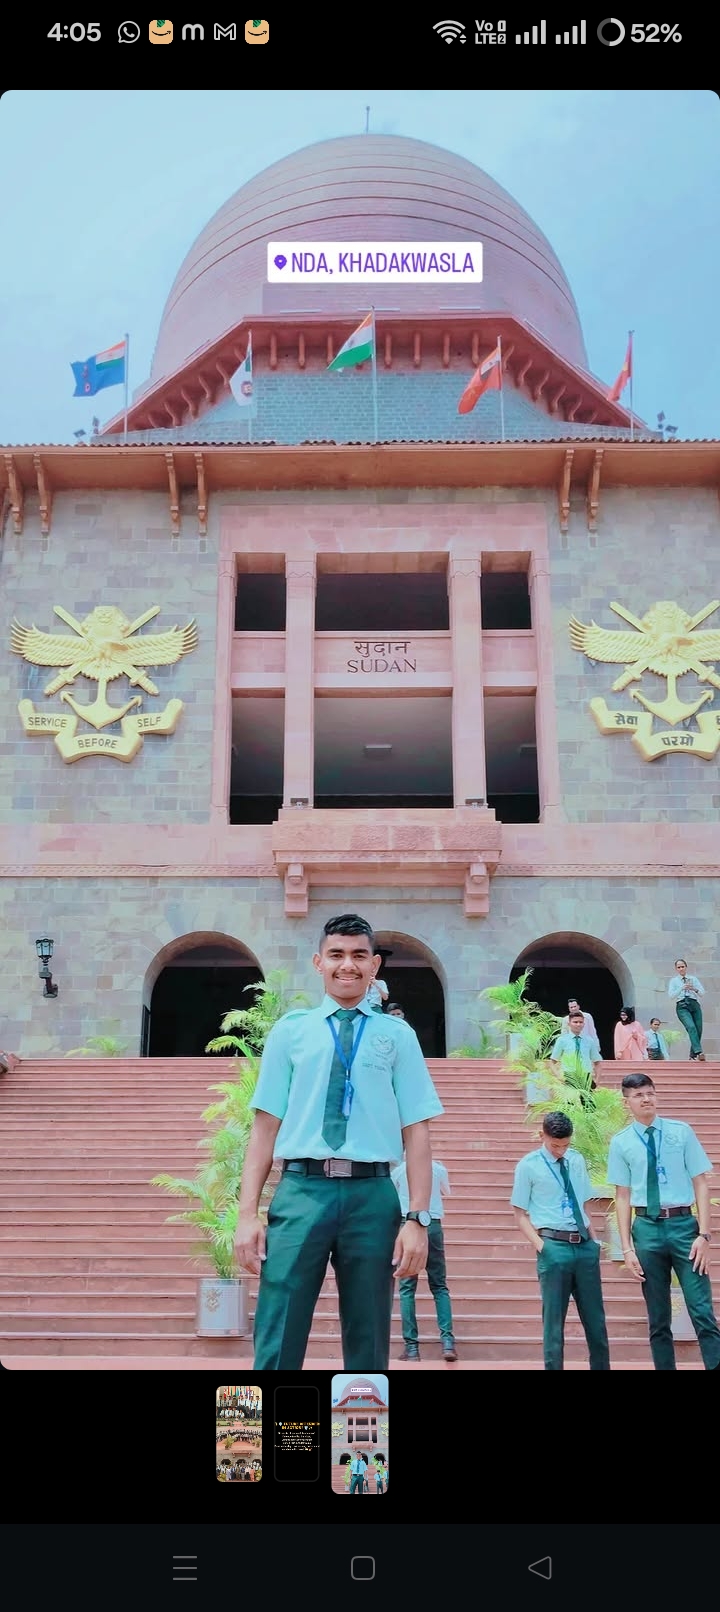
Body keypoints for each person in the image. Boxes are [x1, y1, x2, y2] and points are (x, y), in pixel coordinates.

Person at [236, 913, 443, 1370]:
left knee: (369, 1335)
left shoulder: (397, 1036)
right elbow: (265, 1127)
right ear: (319, 962)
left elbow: (417, 1130)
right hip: (302, 1190)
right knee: (277, 1326)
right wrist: (247, 1215)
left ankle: (360, 1422)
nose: (347, 965)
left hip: (372, 1195)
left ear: (374, 966)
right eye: (336, 955)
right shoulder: (291, 1031)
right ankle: (258, 1420)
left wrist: (418, 1218)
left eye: (358, 956)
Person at [607, 1071, 720, 1371]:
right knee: (658, 1318)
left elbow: (701, 1183)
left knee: (702, 1311)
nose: (646, 1099)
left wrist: (704, 1235)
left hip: (684, 1228)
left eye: (650, 1093)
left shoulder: (681, 1132)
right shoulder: (621, 1143)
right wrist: (627, 1249)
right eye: (638, 1095)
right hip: (647, 1230)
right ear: (627, 1102)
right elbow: (622, 1195)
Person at [511, 1111, 611, 1371]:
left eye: (565, 1145)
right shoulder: (528, 1165)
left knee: (596, 1322)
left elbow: (585, 1203)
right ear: (542, 1135)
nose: (561, 1151)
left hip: (584, 1246)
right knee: (554, 1324)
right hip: (553, 1246)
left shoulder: (576, 1160)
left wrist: (594, 1241)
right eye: (555, 1145)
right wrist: (542, 1246)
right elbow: (519, 1214)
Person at [391, 1154, 458, 1362]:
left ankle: (411, 1348)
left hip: (408, 1224)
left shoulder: (398, 1170)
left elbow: (392, 1198)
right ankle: (448, 1342)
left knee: (407, 1289)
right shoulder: (438, 1168)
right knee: (439, 1286)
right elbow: (446, 1191)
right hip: (433, 1224)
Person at [550, 1010, 601, 1091]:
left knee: (587, 1099)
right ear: (569, 1024)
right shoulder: (562, 1040)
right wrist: (559, 1077)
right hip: (569, 1077)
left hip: (586, 1077)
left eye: (581, 1022)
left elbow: (597, 1062)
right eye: (575, 1022)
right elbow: (552, 1062)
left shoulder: (589, 1041)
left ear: (584, 1024)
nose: (578, 1024)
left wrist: (597, 1081)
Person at [668, 959, 706, 1060]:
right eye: (679, 967)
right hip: (682, 1005)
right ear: (676, 969)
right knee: (691, 1027)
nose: (681, 969)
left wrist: (693, 988)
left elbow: (702, 993)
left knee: (698, 1029)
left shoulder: (693, 979)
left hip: (694, 1003)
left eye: (682, 966)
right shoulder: (674, 981)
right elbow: (671, 996)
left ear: (686, 967)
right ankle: (699, 1052)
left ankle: (692, 1055)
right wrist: (681, 988)